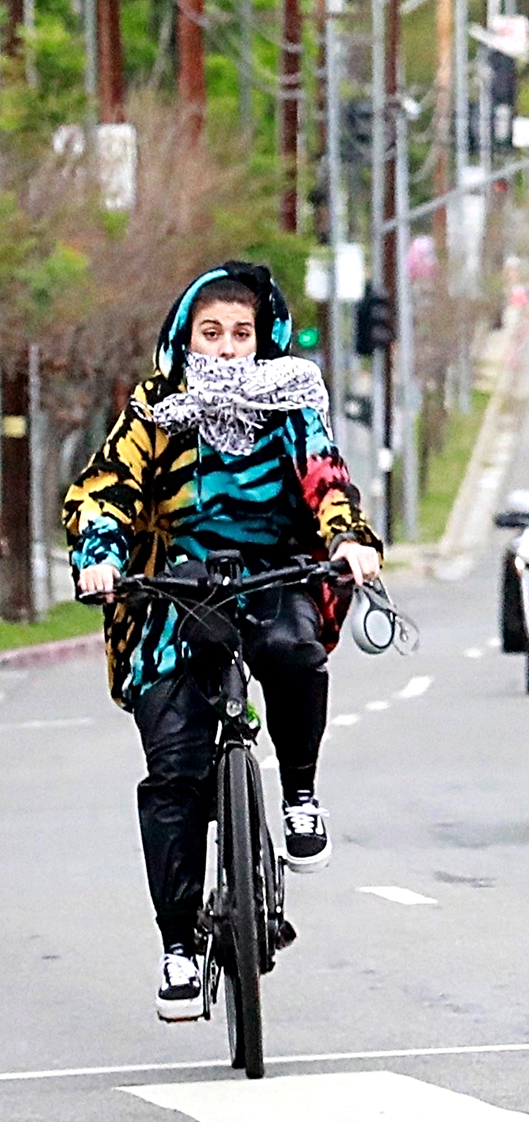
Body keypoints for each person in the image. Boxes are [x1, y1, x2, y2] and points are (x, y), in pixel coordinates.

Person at [64, 262, 382, 1022]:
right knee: (174, 772)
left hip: (274, 572)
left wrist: (347, 539)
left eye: (242, 334)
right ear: (185, 337)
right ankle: (177, 947)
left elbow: (326, 477)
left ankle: (300, 794)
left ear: (263, 339)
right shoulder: (153, 408)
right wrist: (99, 558)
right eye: (212, 332)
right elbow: (103, 491)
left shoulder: (294, 401)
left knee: (295, 651)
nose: (228, 347)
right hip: (174, 592)